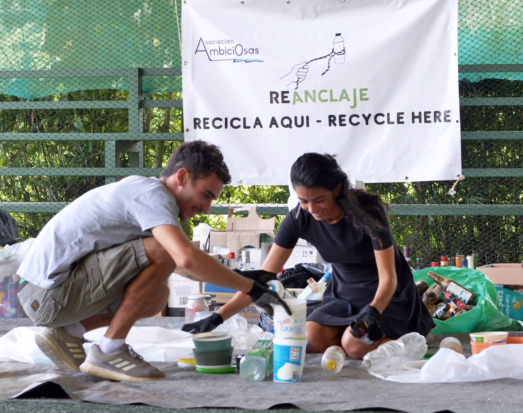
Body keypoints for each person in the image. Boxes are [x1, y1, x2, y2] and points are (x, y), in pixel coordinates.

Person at [17, 141, 288, 382]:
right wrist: (250, 289)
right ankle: (109, 350)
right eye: (206, 195)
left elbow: (184, 267)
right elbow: (184, 257)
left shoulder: (148, 197)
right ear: (182, 177)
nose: (206, 208)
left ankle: (68, 332)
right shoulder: (152, 195)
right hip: (47, 295)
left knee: (158, 296)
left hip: (50, 295)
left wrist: (245, 278)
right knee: (162, 251)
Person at [184, 153, 434, 359]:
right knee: (309, 338)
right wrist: (217, 317)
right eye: (304, 201)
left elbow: (389, 278)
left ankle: (409, 343)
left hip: (388, 295)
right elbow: (261, 281)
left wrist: (374, 312)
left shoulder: (368, 212)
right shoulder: (298, 219)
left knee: (355, 345)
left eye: (319, 200)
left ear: (336, 189)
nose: (312, 209)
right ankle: (352, 341)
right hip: (343, 294)